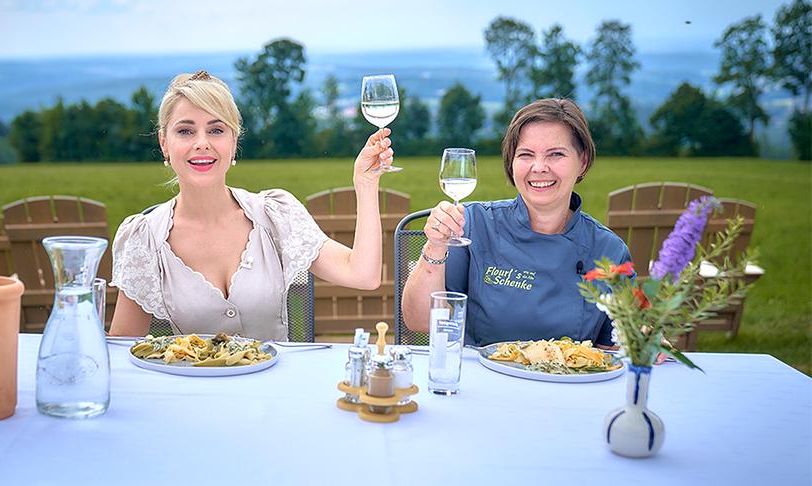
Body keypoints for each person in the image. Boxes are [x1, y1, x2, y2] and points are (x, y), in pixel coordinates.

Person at [108, 70, 393, 341]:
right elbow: (122, 350)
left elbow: (363, 275)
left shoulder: (275, 215)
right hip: (194, 391)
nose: (202, 143)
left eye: (216, 130)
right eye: (185, 131)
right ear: (164, 144)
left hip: (278, 390)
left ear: (233, 142)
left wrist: (365, 184)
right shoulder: (145, 239)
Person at [402, 98, 630, 349]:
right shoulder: (473, 224)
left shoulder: (609, 250)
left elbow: (615, 347)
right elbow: (419, 321)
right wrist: (434, 246)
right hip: (482, 380)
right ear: (512, 163)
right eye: (526, 154)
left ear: (583, 162)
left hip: (567, 385)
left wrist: (643, 342)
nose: (539, 167)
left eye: (556, 154)